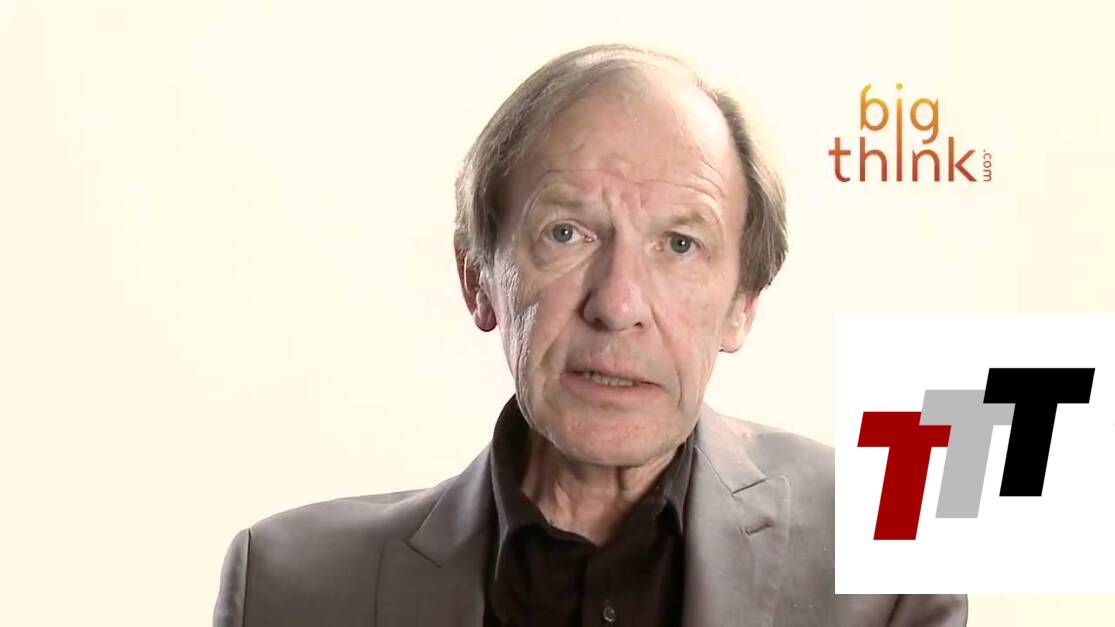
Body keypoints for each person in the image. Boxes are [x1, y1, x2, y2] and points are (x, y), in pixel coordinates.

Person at [213, 44, 967, 626]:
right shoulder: (288, 587)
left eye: (680, 244)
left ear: (743, 303)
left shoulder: (888, 550)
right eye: (567, 233)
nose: (618, 303)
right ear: (478, 277)